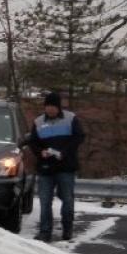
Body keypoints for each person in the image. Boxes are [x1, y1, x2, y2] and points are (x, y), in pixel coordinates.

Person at [26, 91, 85, 242]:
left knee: (67, 200)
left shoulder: (70, 118)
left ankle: (67, 229)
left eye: (53, 107)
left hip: (65, 167)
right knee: (45, 201)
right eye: (47, 106)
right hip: (46, 168)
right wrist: (41, 152)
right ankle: (45, 232)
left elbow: (79, 137)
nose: (50, 109)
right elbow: (33, 142)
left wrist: (64, 153)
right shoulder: (38, 122)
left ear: (58, 107)